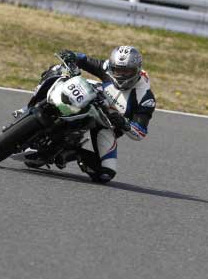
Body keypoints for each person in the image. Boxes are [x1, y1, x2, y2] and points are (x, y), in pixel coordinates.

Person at [13, 46, 156, 183]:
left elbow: (140, 132)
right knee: (58, 69)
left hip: (106, 124)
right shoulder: (107, 67)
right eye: (117, 70)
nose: (121, 75)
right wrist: (72, 56)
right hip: (94, 96)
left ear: (137, 70)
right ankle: (31, 107)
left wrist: (124, 123)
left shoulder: (145, 98)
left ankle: (73, 153)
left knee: (106, 173)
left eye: (127, 71)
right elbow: (85, 60)